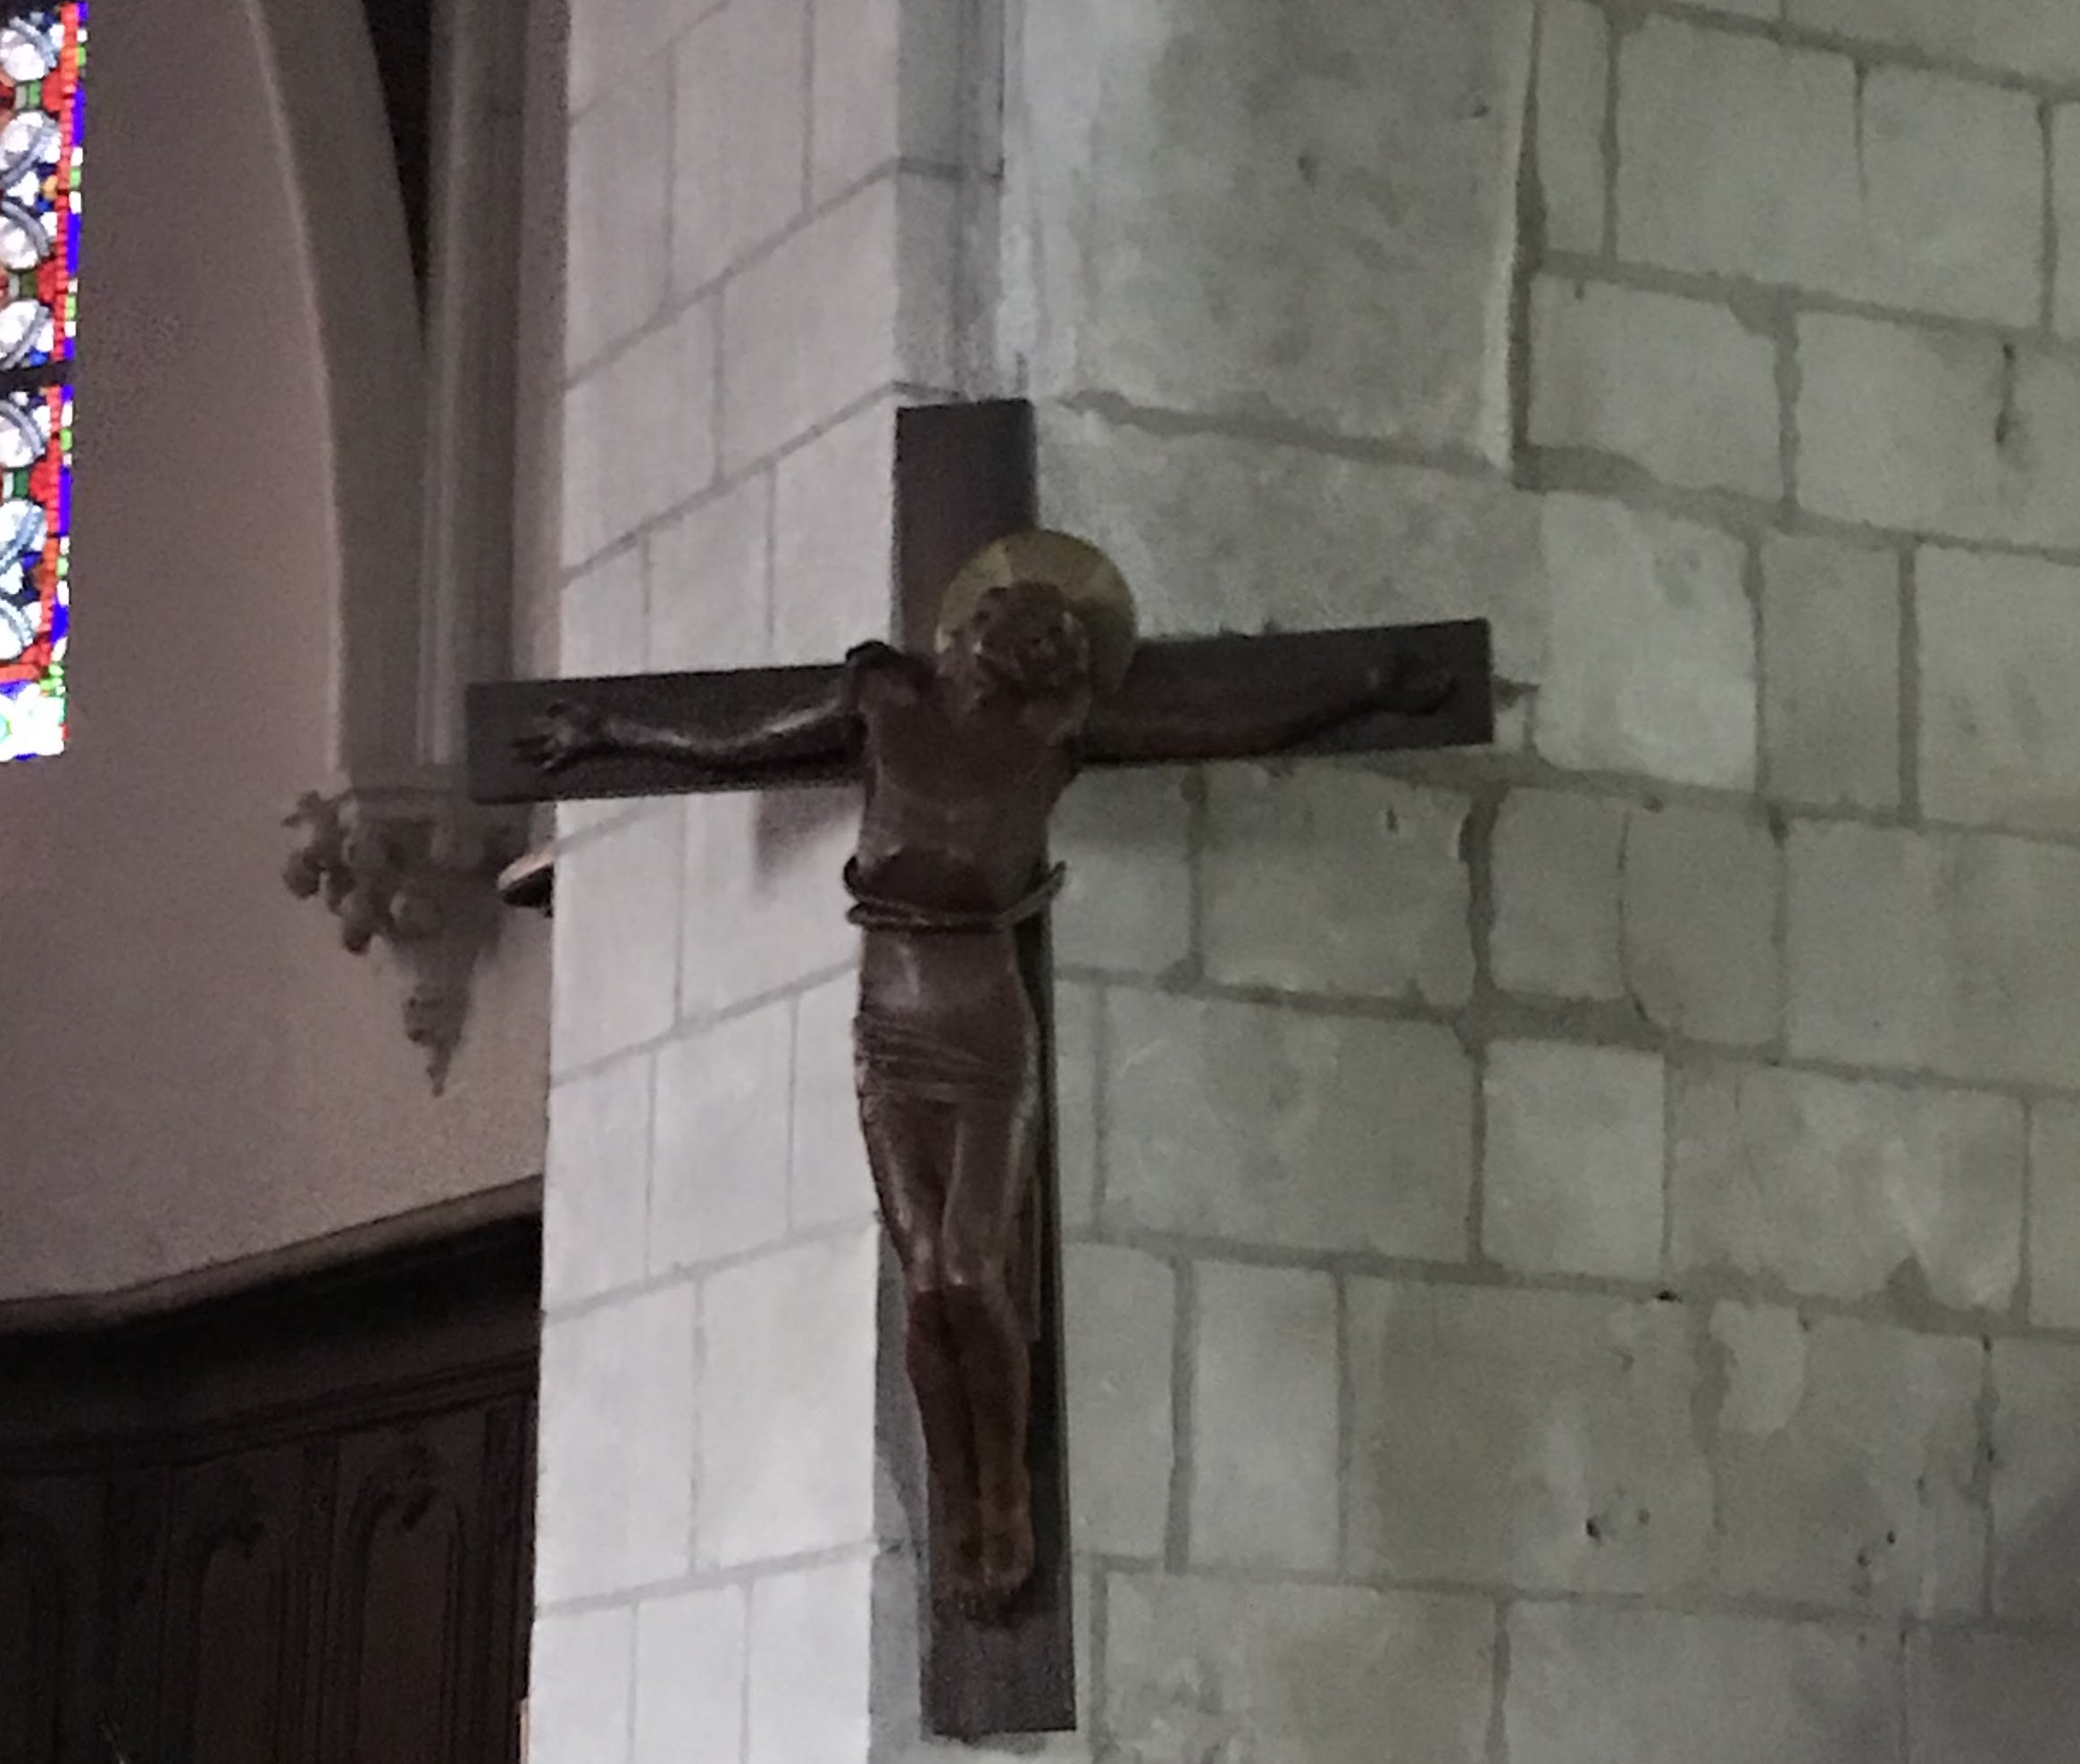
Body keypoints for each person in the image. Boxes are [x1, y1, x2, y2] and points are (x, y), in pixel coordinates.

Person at [522, 533, 1448, 1618]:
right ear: (970, 630)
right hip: (890, 1026)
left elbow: (1221, 722)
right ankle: (955, 1496)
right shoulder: (882, 703)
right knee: (924, 1281)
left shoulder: (1052, 734)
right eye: (1025, 625)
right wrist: (610, 730)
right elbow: (738, 743)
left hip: (981, 1023)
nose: (1039, 644)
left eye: (1056, 635)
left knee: (969, 1270)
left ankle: (1001, 1492)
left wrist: (1360, 688)